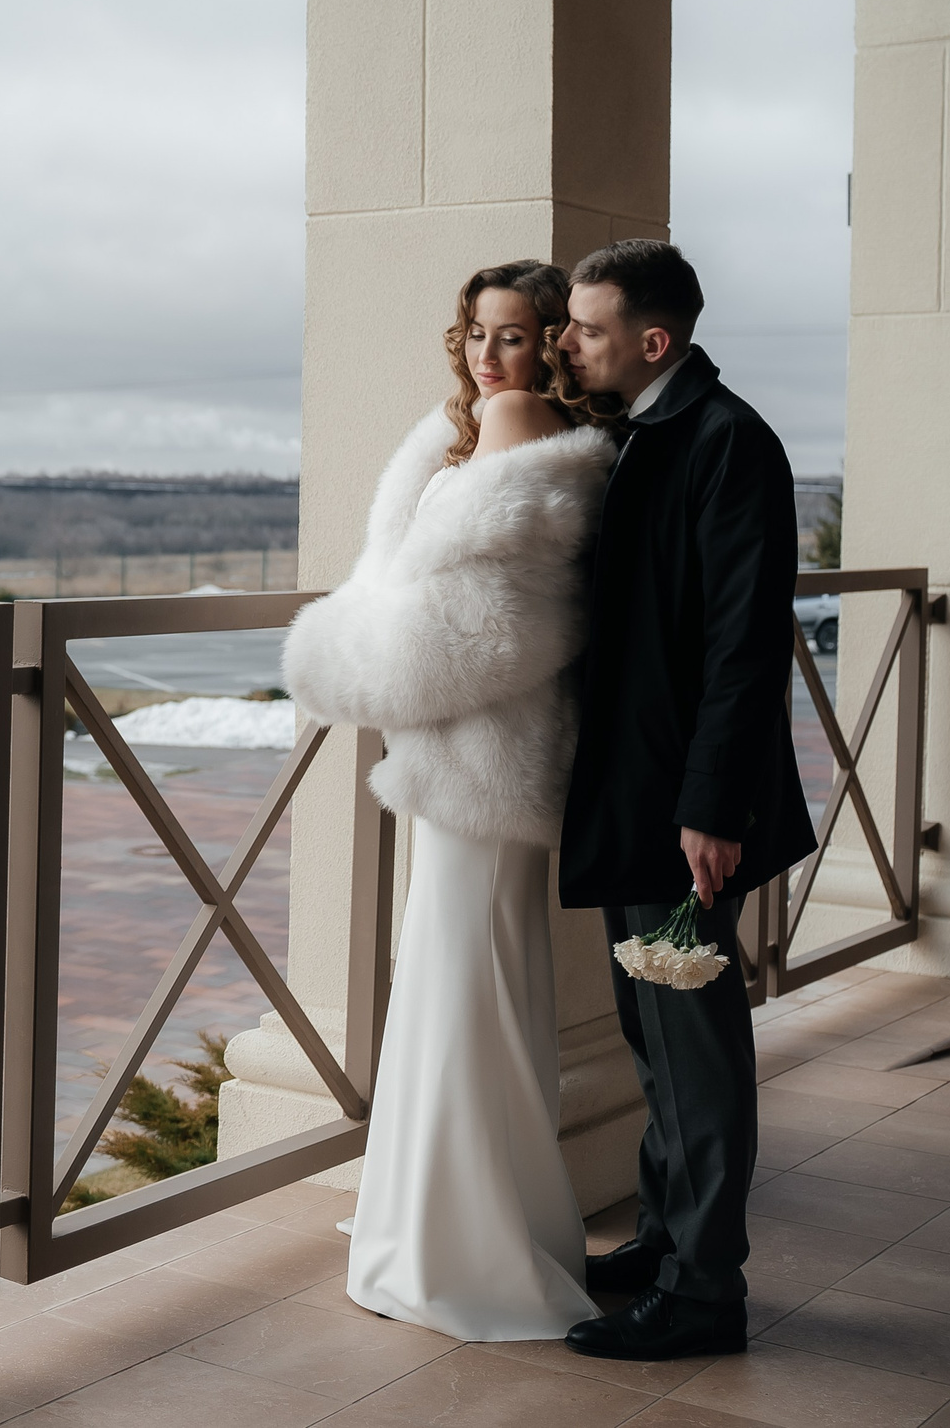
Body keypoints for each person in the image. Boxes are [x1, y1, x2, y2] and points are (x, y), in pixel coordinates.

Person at [281, 259, 619, 1341]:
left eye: (514, 335)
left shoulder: (513, 422)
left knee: (460, 983)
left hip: (479, 756)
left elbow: (480, 629)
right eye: (476, 331)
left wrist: (340, 662)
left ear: (551, 345)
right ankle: (461, 1225)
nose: (488, 355)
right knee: (473, 984)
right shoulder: (477, 432)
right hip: (480, 759)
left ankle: (454, 1247)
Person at [553, 239, 815, 1361]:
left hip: (687, 811)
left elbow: (744, 645)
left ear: (652, 340)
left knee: (695, 1050)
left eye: (588, 327)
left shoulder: (727, 441)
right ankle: (666, 1240)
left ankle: (705, 1293)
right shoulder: (646, 431)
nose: (568, 342)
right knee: (654, 1036)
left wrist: (712, 809)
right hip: (641, 794)